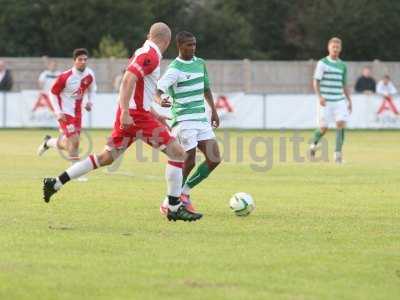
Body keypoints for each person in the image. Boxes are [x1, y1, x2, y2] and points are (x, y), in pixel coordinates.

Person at [41, 23, 202, 222]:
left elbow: (138, 90)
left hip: (136, 114)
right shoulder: (150, 55)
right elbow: (127, 80)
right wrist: (127, 111)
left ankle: (56, 182)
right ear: (167, 41)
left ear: (149, 35)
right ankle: (174, 206)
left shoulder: (143, 51)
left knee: (106, 157)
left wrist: (154, 114)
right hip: (136, 116)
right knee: (178, 153)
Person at [156, 31, 221, 214]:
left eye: (194, 44)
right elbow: (158, 88)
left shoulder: (200, 64)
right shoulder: (175, 68)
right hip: (183, 120)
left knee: (214, 158)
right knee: (189, 160)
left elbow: (206, 88)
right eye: (188, 45)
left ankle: (183, 193)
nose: (192, 48)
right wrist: (160, 100)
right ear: (180, 46)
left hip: (201, 119)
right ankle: (170, 201)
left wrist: (214, 111)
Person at [37, 48, 97, 182]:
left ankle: (49, 142)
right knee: (75, 141)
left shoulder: (89, 75)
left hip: (78, 114)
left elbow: (93, 89)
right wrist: (58, 112)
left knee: (70, 144)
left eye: (85, 59)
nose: (83, 62)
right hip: (65, 113)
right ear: (74, 61)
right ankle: (75, 171)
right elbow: (52, 93)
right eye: (80, 59)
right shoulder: (65, 76)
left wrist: (89, 102)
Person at [309, 37, 352, 163]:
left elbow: (344, 84)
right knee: (323, 128)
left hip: (339, 100)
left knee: (341, 123)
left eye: (337, 47)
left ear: (340, 49)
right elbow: (316, 81)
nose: (335, 49)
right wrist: (319, 96)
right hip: (325, 101)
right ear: (329, 48)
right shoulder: (322, 63)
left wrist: (349, 100)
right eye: (333, 47)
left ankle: (337, 156)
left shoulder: (343, 65)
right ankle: (313, 144)